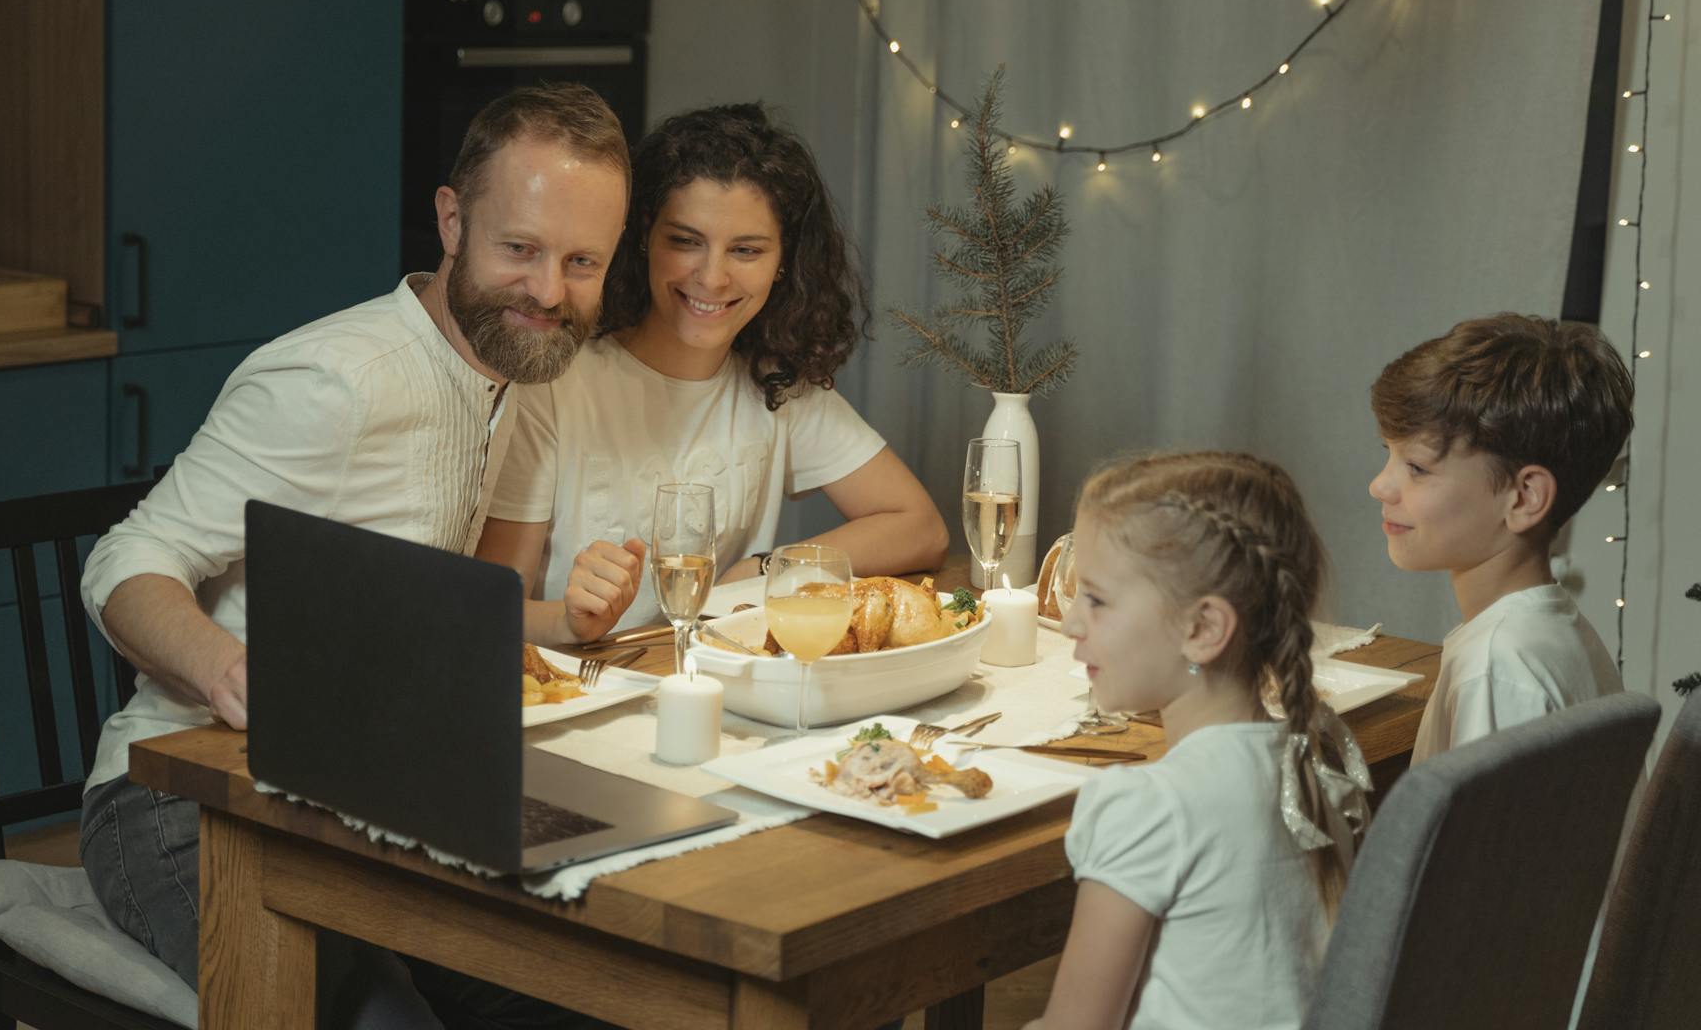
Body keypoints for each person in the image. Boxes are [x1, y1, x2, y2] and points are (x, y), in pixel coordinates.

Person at [76, 84, 633, 1022]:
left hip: (370, 800)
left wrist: (556, 623)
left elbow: (412, 597)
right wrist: (229, 670)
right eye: (521, 250)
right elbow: (125, 558)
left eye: (583, 262)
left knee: (585, 993)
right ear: (452, 222)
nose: (549, 292)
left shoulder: (512, 372)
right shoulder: (338, 384)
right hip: (181, 808)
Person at [477, 102, 947, 633]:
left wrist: (765, 569)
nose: (713, 278)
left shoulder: (775, 384)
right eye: (685, 241)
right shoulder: (555, 386)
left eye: (746, 250)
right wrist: (570, 618)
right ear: (642, 237)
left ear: (783, 262)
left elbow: (922, 528)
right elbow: (491, 607)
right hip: (581, 694)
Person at [1033, 451, 1370, 1030]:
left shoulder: (1149, 807)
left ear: (1202, 630)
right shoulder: (1319, 764)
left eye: (1096, 597)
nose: (1069, 623)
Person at [1368, 312, 1633, 763]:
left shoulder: (1498, 670)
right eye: (1388, 456)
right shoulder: (1550, 633)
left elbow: (1487, 836)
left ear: (1525, 497)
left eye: (1416, 467)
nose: (1380, 486)